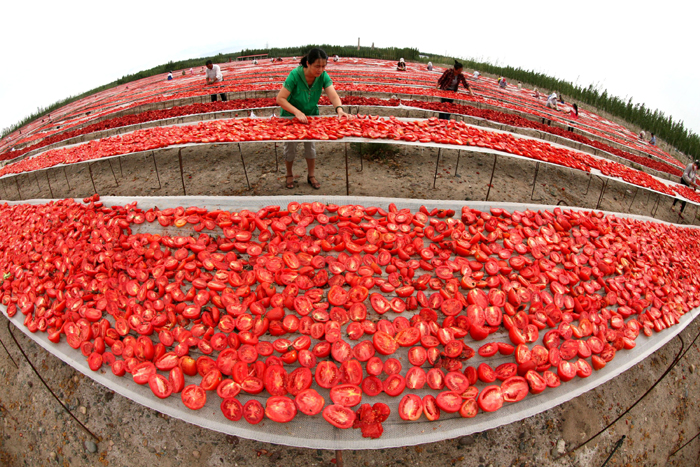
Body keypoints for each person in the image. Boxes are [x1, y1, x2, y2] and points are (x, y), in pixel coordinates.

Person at [276, 48, 349, 190]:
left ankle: (311, 175)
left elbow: (332, 94)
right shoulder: (295, 75)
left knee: (310, 147)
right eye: (317, 66)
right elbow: (280, 98)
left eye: (323, 66)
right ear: (308, 63)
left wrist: (339, 109)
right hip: (290, 116)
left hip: (310, 115)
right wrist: (297, 113)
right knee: (290, 147)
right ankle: (289, 174)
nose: (320, 70)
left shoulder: (323, 76)